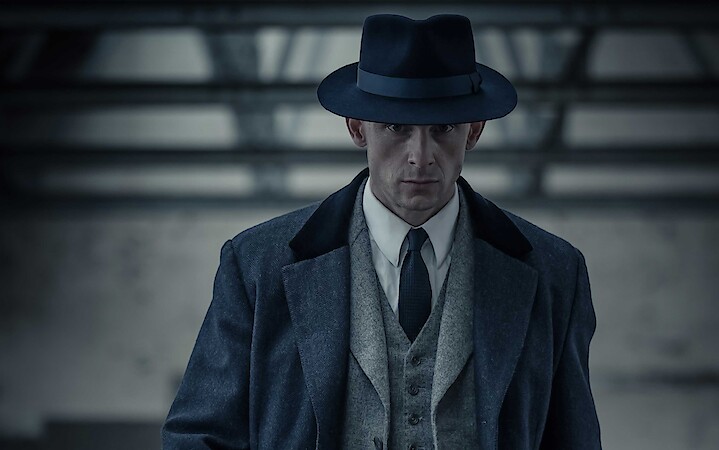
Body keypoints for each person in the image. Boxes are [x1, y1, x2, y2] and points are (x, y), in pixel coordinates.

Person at [162, 13, 601, 450]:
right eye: (397, 127)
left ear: (474, 130)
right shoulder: (257, 264)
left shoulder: (555, 274)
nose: (420, 156)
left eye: (443, 128)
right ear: (357, 127)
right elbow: (199, 437)